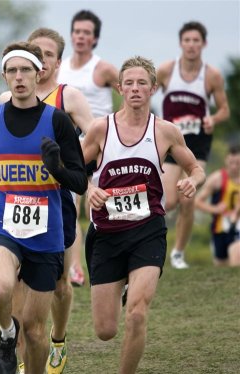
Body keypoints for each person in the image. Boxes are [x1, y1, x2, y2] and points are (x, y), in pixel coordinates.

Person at [0, 42, 87, 374]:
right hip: (4, 225)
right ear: (4, 77)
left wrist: (56, 167)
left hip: (46, 233)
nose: (18, 77)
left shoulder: (56, 121)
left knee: (35, 329)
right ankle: (5, 334)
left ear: (38, 73)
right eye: (12, 71)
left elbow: (80, 181)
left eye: (25, 70)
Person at [81, 56, 206, 373]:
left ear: (153, 88)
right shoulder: (100, 129)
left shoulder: (165, 131)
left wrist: (192, 180)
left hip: (147, 230)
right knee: (105, 330)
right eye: (129, 83)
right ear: (119, 88)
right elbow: (73, 168)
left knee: (137, 313)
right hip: (106, 235)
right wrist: (87, 188)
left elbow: (195, 167)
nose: (135, 89)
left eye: (142, 83)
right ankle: (122, 284)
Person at [0, 28, 94, 374]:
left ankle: (58, 339)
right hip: (16, 202)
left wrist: (69, 163)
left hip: (57, 202)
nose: (41, 59)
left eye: (49, 54)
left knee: (58, 285)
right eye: (35, 52)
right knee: (18, 284)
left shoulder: (69, 98)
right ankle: (26, 358)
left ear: (56, 61)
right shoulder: (4, 99)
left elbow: (96, 137)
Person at [157, 21, 230, 269]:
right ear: (181, 43)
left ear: (204, 44)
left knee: (187, 197)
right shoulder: (167, 70)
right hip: (170, 142)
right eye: (187, 40)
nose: (191, 45)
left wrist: (213, 119)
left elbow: (224, 110)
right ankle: (155, 245)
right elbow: (145, 90)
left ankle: (178, 253)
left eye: (195, 40)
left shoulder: (211, 76)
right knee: (167, 201)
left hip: (197, 143)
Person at [57, 9, 119, 286]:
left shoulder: (103, 68)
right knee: (73, 203)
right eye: (77, 32)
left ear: (94, 39)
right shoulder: (61, 68)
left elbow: (131, 92)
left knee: (98, 207)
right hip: (72, 145)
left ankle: (110, 260)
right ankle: (75, 268)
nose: (81, 37)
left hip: (100, 143)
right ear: (71, 35)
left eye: (87, 33)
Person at [195, 145, 240, 266]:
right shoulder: (217, 178)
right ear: (226, 160)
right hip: (220, 228)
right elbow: (197, 201)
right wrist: (215, 209)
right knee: (221, 265)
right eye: (232, 162)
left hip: (237, 226)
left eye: (237, 163)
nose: (234, 166)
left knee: (236, 258)